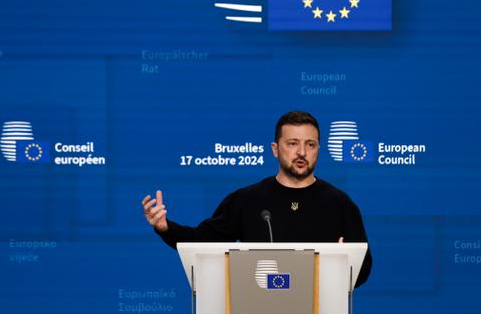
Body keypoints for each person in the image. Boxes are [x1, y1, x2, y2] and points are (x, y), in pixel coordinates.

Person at [141, 110, 372, 287]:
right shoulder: (247, 200)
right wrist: (166, 228)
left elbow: (363, 267)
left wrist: (347, 261)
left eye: (310, 144)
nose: (301, 152)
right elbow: (203, 242)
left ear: (318, 149)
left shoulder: (340, 204)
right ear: (275, 148)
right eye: (292, 143)